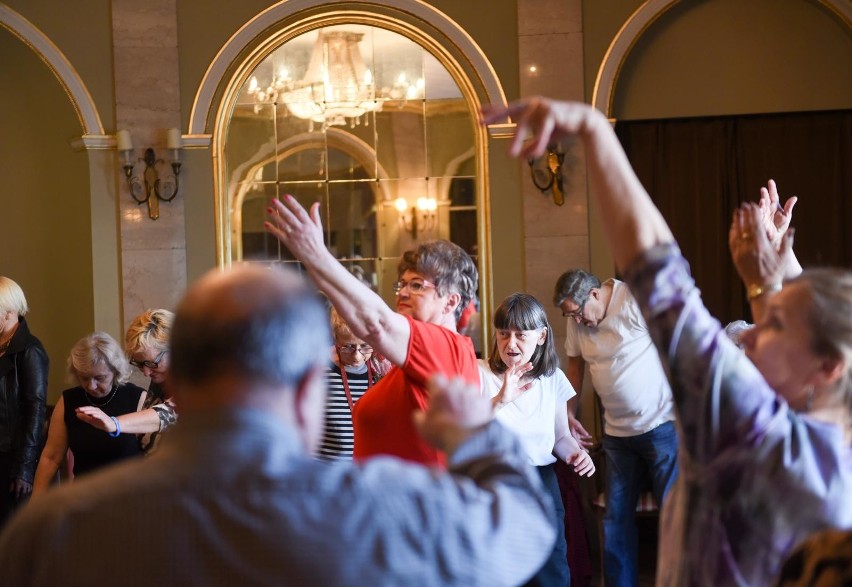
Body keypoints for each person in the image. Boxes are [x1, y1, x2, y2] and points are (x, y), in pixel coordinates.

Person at [482, 97, 852, 586]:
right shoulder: (830, 445)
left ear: (826, 367)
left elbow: (662, 280)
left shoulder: (760, 432)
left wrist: (596, 132)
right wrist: (771, 281)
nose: (752, 331)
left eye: (775, 324)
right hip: (620, 434)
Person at [0, 263, 558, 586]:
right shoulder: (385, 509)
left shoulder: (54, 531)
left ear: (180, 381)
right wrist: (476, 435)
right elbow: (526, 527)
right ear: (305, 391)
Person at [266, 197, 479, 466]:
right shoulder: (407, 359)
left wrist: (317, 255)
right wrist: (313, 264)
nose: (402, 292)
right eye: (402, 284)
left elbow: (376, 323)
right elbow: (359, 320)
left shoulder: (446, 346)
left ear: (451, 301)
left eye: (417, 285)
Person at [552, 265, 678, 587]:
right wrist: (569, 413)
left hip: (661, 427)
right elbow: (575, 366)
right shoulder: (579, 321)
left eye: (578, 313)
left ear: (594, 294)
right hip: (617, 436)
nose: (577, 322)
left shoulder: (632, 300)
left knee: (676, 518)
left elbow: (671, 347)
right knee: (615, 519)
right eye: (571, 317)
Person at [480, 292, 595, 587]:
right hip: (495, 483)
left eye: (521, 334)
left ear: (542, 336)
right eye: (504, 334)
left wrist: (576, 454)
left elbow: (560, 437)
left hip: (542, 482)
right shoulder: (479, 371)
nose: (511, 343)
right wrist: (500, 400)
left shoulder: (552, 378)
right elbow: (467, 430)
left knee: (552, 569)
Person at [31, 332, 145, 496]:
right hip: (84, 498)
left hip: (128, 498)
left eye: (100, 378)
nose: (91, 386)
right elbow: (51, 458)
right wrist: (36, 502)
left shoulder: (137, 398)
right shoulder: (68, 400)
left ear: (115, 370)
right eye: (84, 378)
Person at [75, 310, 177, 453]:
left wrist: (114, 423)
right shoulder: (161, 379)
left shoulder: (199, 379)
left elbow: (169, 413)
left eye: (152, 363)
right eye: (140, 364)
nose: (146, 372)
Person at [0, 277, 48, 527]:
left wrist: (25, 468)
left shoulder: (30, 350)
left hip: (13, 458)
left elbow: (36, 410)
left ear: (9, 312)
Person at [318, 306, 389, 461]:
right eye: (348, 347)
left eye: (364, 346)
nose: (357, 357)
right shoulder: (318, 372)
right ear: (335, 338)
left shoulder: (383, 370)